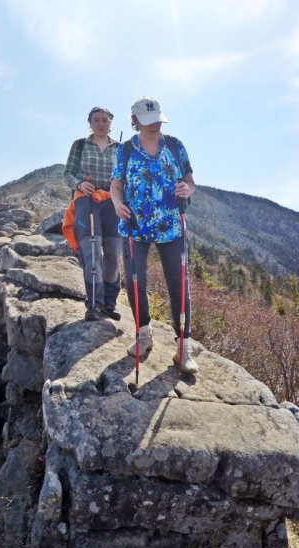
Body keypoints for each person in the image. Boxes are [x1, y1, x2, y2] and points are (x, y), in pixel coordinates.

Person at [110, 97, 199, 374]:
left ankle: (183, 347)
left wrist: (186, 189)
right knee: (136, 282)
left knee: (178, 285)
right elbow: (116, 185)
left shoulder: (175, 145)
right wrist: (117, 204)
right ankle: (144, 334)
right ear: (135, 122)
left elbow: (190, 182)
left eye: (158, 120)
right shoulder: (125, 150)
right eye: (148, 122)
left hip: (171, 225)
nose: (155, 126)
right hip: (135, 226)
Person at [63, 107, 123, 321]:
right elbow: (67, 173)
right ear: (90, 123)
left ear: (110, 123)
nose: (100, 123)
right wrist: (79, 184)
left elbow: (126, 176)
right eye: (96, 120)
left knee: (113, 255)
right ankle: (94, 304)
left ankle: (109, 303)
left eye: (105, 120)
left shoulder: (121, 148)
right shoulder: (80, 145)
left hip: (113, 203)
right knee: (91, 252)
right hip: (86, 202)